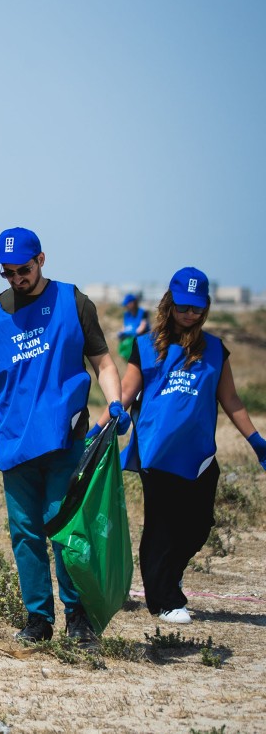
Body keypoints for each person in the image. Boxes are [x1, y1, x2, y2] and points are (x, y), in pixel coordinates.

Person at [0, 227, 125, 644]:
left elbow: (103, 363)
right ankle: (39, 620)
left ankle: (78, 617)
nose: (17, 278)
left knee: (65, 529)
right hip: (14, 443)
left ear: (41, 260)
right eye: (8, 272)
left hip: (63, 439)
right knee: (25, 534)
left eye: (23, 269)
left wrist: (115, 403)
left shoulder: (73, 302)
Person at [117, 267, 266, 625]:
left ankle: (170, 573)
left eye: (196, 308)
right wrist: (102, 426)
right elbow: (124, 395)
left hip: (198, 455)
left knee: (198, 525)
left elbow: (231, 400)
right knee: (161, 527)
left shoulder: (215, 349)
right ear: (169, 304)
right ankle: (164, 600)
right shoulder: (146, 346)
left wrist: (256, 441)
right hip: (157, 452)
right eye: (183, 306)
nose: (189, 314)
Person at [118, 293, 149, 359]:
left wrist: (130, 333)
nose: (126, 306)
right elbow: (124, 327)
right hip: (130, 341)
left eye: (127, 304)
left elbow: (142, 327)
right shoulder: (126, 314)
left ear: (133, 303)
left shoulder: (143, 312)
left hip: (141, 341)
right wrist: (121, 333)